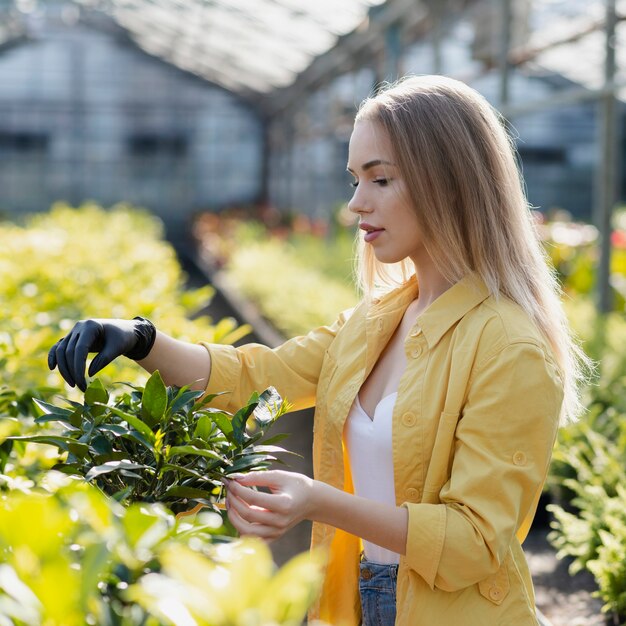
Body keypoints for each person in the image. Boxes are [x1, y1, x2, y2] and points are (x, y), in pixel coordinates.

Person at [48, 75, 589, 626]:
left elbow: (474, 542)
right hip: (354, 595)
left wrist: (317, 501)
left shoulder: (510, 346)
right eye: (355, 180)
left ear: (448, 184)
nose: (356, 204)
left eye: (380, 180)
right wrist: (141, 339)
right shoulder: (378, 319)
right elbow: (257, 376)